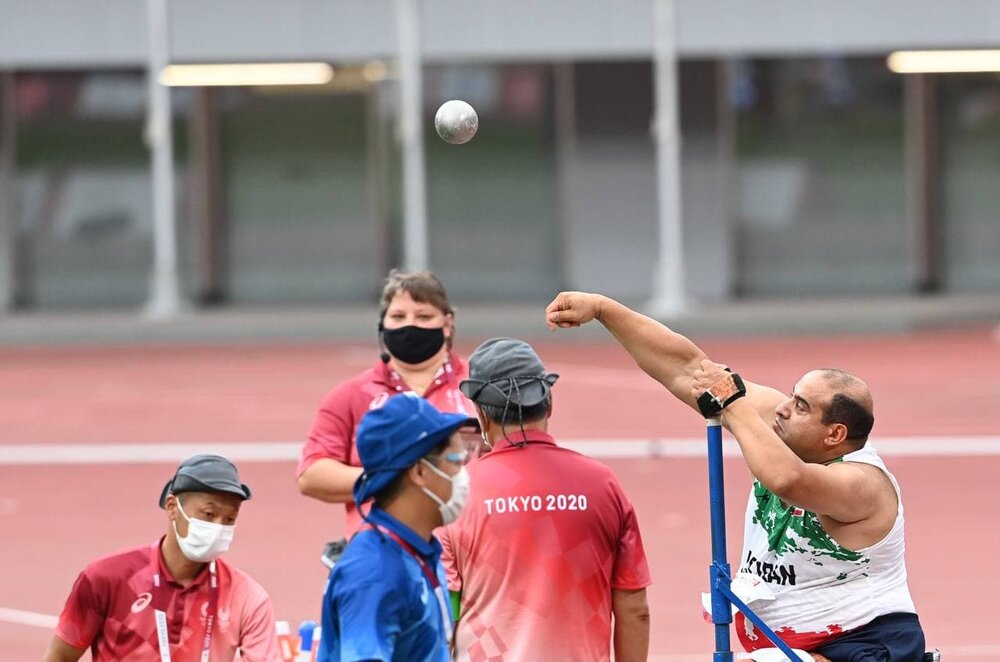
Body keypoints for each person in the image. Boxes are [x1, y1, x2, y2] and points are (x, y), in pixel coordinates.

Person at [545, 292, 926, 661]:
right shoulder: (782, 428)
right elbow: (688, 369)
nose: (782, 408)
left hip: (862, 645)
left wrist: (730, 402)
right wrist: (603, 309)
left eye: (801, 406)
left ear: (835, 435)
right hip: (788, 645)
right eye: (792, 396)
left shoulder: (865, 484)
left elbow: (788, 480)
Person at [439, 337, 652, 662]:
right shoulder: (602, 484)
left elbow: (443, 617)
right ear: (548, 402)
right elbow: (634, 609)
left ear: (481, 415)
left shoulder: (458, 491)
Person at [297, 270, 479, 560]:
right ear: (382, 324)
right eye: (398, 317)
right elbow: (311, 475)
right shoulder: (350, 395)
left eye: (423, 316)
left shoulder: (480, 384)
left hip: (474, 551)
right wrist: (394, 479)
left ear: (447, 323)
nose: (410, 325)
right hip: (382, 551)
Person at [45, 454, 279, 662]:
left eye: (229, 519)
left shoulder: (248, 598)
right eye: (209, 514)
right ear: (172, 507)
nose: (218, 527)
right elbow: (59, 658)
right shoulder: (106, 579)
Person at [318, 393, 473, 662]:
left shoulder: (419, 551)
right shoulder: (374, 574)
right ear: (420, 472)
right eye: (456, 462)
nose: (464, 476)